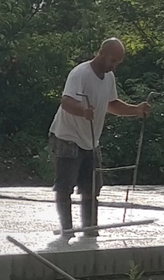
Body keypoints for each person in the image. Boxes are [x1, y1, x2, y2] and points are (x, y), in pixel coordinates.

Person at [50, 37, 149, 236]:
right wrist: (82, 110)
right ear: (101, 53)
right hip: (67, 137)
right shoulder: (80, 73)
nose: (114, 66)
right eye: (112, 60)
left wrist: (136, 110)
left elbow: (112, 104)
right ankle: (67, 230)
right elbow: (67, 102)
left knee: (92, 187)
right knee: (65, 187)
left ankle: (90, 230)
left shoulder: (109, 78)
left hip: (91, 140)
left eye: (117, 63)